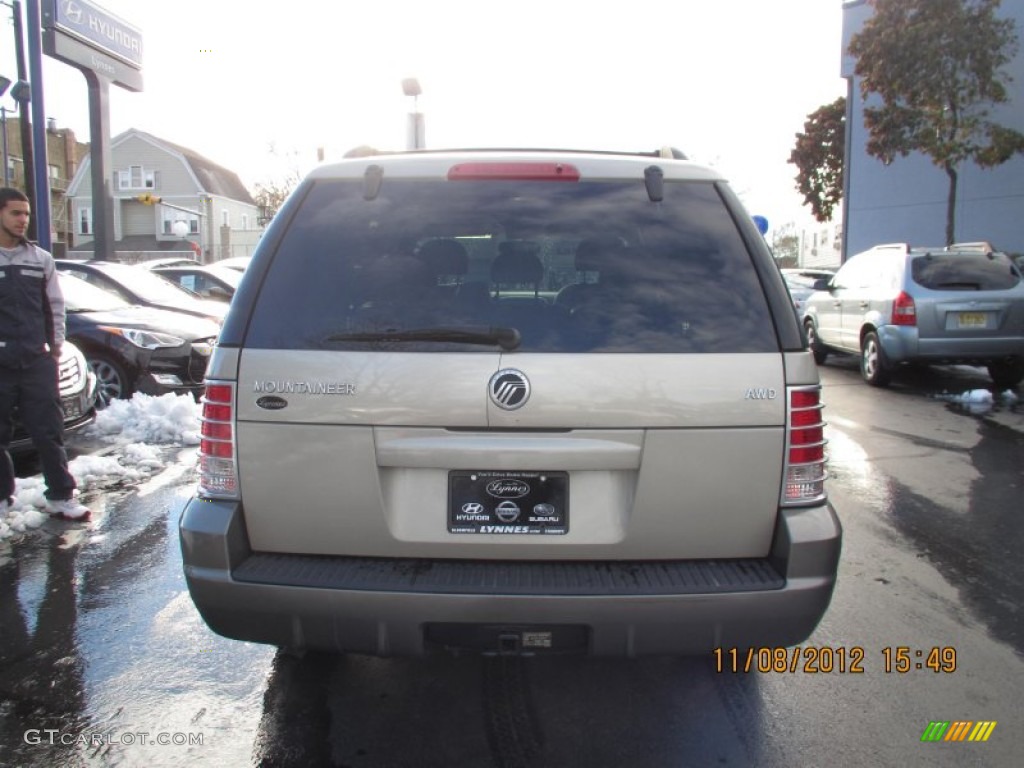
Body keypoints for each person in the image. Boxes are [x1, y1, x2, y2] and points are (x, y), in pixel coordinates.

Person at [0, 187, 90, 522]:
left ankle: (61, 497)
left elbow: (55, 306)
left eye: (25, 214)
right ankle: (2, 497)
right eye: (15, 213)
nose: (23, 220)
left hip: (35, 360)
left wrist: (55, 348)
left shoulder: (40, 260)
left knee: (48, 431)